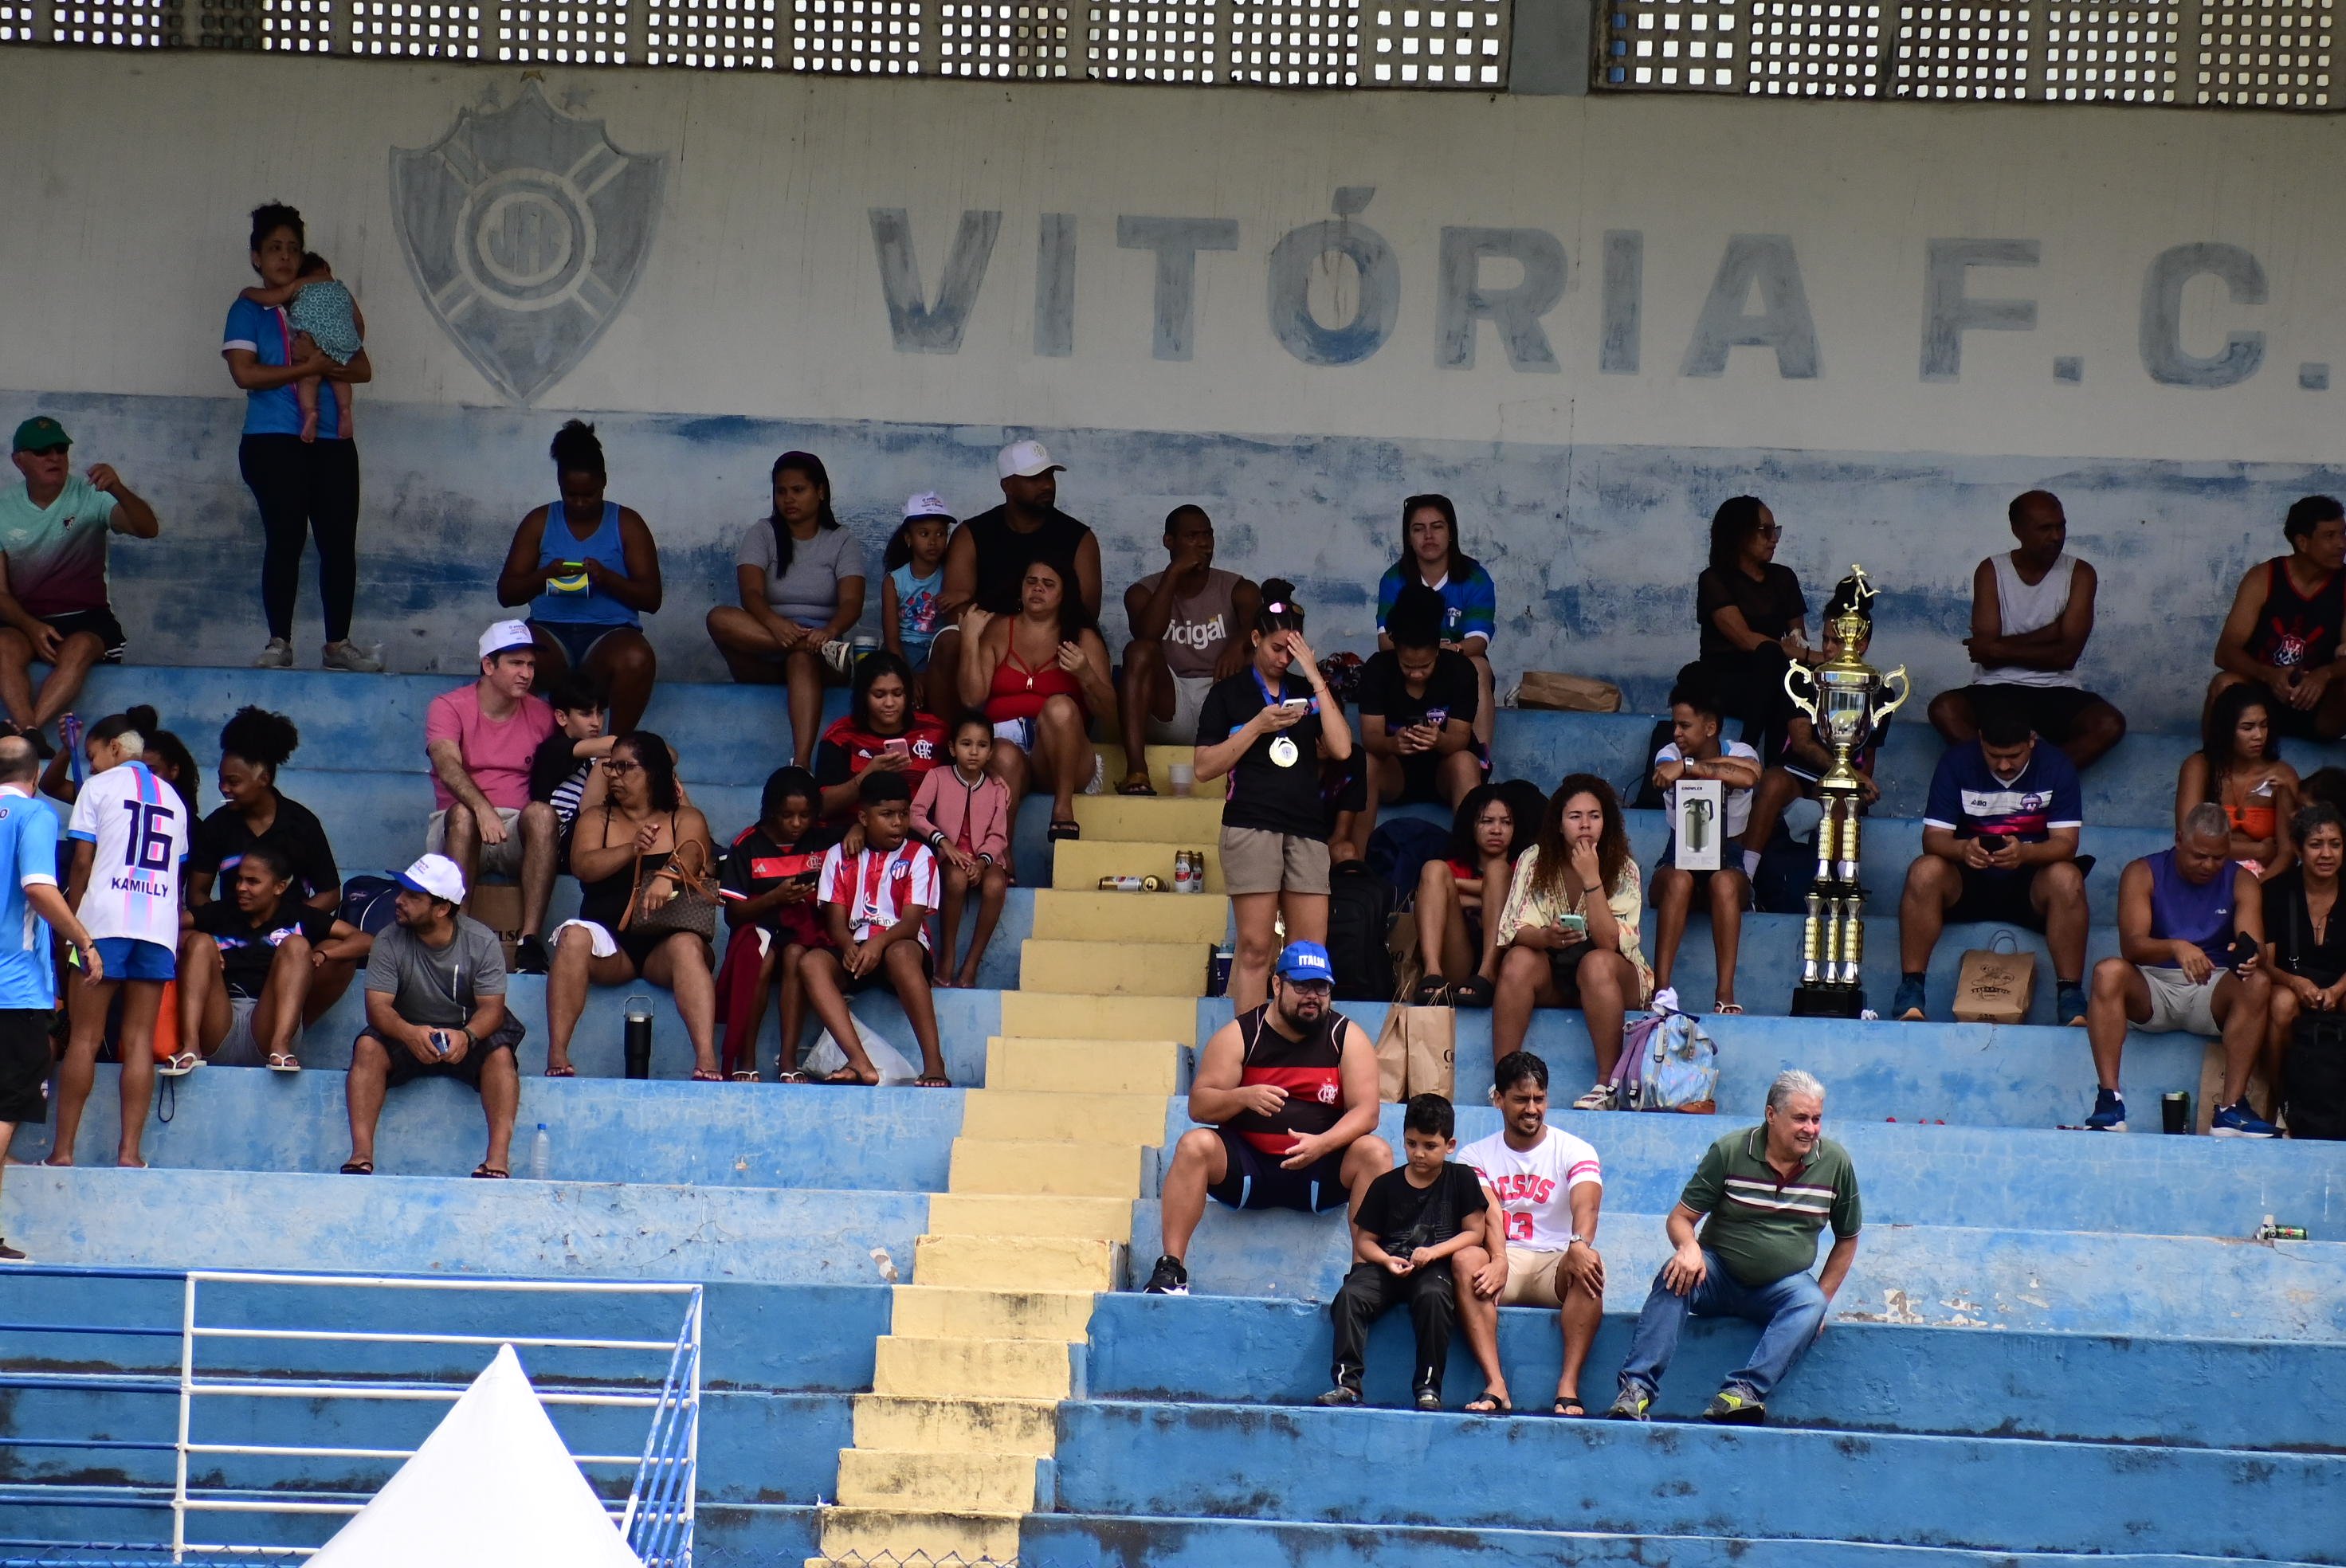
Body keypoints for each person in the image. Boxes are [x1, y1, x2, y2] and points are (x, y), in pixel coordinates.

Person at [1142, 941, 1393, 1297]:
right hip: (1248, 1170)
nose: (1313, 996)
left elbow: (1367, 1112)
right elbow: (1199, 1105)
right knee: (1194, 1145)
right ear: (1277, 984)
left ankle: (1364, 1274)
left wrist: (1323, 1144)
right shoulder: (1242, 1034)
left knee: (1375, 1152)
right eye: (1301, 986)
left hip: (1319, 1172)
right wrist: (1242, 1096)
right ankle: (1172, 1268)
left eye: (1321, 988)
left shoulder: (1346, 1037)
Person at [1608, 1070, 1859, 1426]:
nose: (1810, 1129)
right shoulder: (1729, 1151)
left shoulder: (1835, 1163)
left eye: (1816, 1119)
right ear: (1771, 1115)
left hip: (1781, 1288)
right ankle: (1636, 1389)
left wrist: (1824, 1297)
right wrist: (1688, 1247)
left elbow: (1848, 1237)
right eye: (1801, 1118)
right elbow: (1680, 1218)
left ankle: (1742, 1394)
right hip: (1716, 1276)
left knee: (1812, 1303)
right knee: (1673, 1274)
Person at [223, 202, 379, 673]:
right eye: (274, 248)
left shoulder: (323, 299)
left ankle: (338, 645)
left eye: (292, 248)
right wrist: (307, 368)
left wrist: (322, 363)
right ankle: (279, 642)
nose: (285, 256)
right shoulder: (248, 309)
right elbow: (245, 374)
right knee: (285, 539)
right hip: (272, 439)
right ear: (257, 257)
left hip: (333, 442)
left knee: (339, 543)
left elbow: (363, 368)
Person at [1195, 585, 1352, 1012]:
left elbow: (1342, 749)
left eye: (1293, 651)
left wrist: (1315, 676)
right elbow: (1204, 767)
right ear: (1255, 639)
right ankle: (1249, 1043)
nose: (1284, 659)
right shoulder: (1228, 694)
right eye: (1277, 648)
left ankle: (1303, 1042)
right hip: (1250, 824)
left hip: (1306, 828)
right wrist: (1258, 726)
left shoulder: (1307, 690)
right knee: (1255, 949)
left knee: (1309, 954)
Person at [47, 709, 192, 1170]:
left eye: (92, 756)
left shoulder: (98, 787)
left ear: (114, 748)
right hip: (157, 927)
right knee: (140, 1040)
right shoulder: (174, 799)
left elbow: (81, 863)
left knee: (84, 1039)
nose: (90, 766)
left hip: (102, 923)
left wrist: (72, 925)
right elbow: (177, 874)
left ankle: (63, 1153)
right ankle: (130, 1154)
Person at [2082, 804, 2275, 1135]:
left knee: (2256, 981)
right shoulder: (2143, 872)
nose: (2208, 865)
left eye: (2218, 857)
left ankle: (2231, 1109)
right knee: (2107, 972)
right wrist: (2175, 947)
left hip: (2214, 988)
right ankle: (2109, 1103)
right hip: (2154, 985)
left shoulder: (2241, 879)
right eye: (2199, 856)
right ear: (2179, 840)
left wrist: (2250, 955)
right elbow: (2132, 946)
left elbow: (2255, 943)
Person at [1893, 703, 2089, 1026]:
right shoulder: (1956, 762)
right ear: (1981, 740)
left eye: (2014, 756)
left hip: (2031, 882)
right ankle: (1911, 990)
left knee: (2067, 877)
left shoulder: (2057, 766)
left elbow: (2066, 845)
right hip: (1968, 876)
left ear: (2032, 741)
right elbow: (1933, 839)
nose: (2004, 765)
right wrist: (1962, 848)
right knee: (1924, 871)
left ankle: (2071, 995)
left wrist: (2025, 854)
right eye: (1994, 755)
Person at [546, 732, 720, 1080]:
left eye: (625, 767)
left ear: (653, 772)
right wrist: (632, 849)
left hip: (664, 947)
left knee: (687, 946)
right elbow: (583, 866)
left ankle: (706, 1059)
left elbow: (694, 853)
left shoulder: (685, 817)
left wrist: (668, 876)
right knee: (572, 937)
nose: (614, 775)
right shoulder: (596, 818)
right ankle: (558, 1052)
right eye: (611, 767)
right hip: (611, 946)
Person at [341, 854, 524, 1178]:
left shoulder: (481, 941)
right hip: (406, 1027)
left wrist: (467, 1036)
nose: (398, 900)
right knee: (367, 1047)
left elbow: (492, 1009)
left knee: (500, 1055)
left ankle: (497, 1160)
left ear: (441, 908)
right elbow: (378, 1008)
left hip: (467, 1029)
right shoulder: (387, 940)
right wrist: (409, 1033)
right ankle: (361, 1155)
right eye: (402, 891)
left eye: (413, 896)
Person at [1320, 1092, 1503, 1412]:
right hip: (1387, 1268)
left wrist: (1434, 1253)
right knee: (1350, 1296)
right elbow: (1365, 1242)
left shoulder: (1461, 1179)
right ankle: (1347, 1384)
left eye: (1430, 1146)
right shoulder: (1385, 1185)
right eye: (1411, 1144)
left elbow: (1475, 1233)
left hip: (1434, 1269)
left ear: (1450, 1145)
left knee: (1435, 1297)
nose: (1419, 1154)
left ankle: (1428, 1388)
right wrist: (1385, 1259)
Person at [1927, 490, 2125, 770]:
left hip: (2057, 689)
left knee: (2109, 724)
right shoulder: (1991, 570)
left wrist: (1998, 648)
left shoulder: (2080, 573)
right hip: (1995, 687)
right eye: (2045, 528)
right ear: (2017, 530)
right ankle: (1997, 774)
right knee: (1944, 709)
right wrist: (2053, 633)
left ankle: (2037, 778)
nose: (2056, 536)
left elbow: (2066, 657)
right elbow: (1985, 656)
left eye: (2061, 526)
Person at [1490, 774, 1654, 1108]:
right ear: (1559, 823)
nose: (1585, 825)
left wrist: (1592, 877)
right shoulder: (1535, 860)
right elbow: (1514, 930)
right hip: (1555, 973)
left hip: (1614, 979)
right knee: (1518, 959)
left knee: (1596, 963)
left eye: (1594, 816)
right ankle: (1504, 1083)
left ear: (1606, 822)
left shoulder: (1623, 867)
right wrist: (1546, 937)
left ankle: (1607, 1086)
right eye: (1575, 816)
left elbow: (1609, 942)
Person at [1459, 1051, 1606, 1418]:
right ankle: (1495, 1384)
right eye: (1520, 1099)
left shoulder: (1575, 1149)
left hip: (1555, 1261)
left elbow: (1586, 1205)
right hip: (1504, 1257)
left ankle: (1568, 1387)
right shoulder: (1474, 1155)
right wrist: (1498, 1258)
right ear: (1498, 1099)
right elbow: (1488, 1214)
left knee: (1589, 1261)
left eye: (1539, 1099)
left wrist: (1579, 1244)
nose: (1531, 1109)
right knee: (1465, 1259)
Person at [0, 733, 100, 1254]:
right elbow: (39, 886)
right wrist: (83, 939)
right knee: (4, 1108)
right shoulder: (34, 815)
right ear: (36, 777)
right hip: (13, 989)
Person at [0, 417, 159, 743]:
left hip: (87, 619)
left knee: (80, 647)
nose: (54, 457)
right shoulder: (3, 508)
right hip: (25, 621)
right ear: (19, 460)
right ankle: (30, 734)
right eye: (42, 451)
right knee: (3, 646)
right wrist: (31, 626)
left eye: (60, 449)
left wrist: (118, 489)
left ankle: (28, 735)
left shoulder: (92, 495)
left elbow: (148, 529)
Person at [496, 421, 661, 732]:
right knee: (506, 654)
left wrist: (606, 578)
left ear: (604, 483)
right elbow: (507, 593)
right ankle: (517, 746)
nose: (580, 503)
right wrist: (546, 575)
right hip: (549, 633)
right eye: (571, 495)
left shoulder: (627, 523)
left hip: (610, 637)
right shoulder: (539, 521)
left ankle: (614, 748)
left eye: (589, 494)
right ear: (560, 484)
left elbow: (652, 599)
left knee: (637, 657)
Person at [705, 452, 867, 767]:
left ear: (820, 492)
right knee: (719, 618)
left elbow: (852, 603)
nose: (788, 499)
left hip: (822, 652)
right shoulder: (762, 533)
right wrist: (775, 623)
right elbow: (750, 593)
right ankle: (803, 645)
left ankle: (801, 765)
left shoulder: (841, 540)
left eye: (798, 490)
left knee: (801, 659)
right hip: (766, 645)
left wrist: (829, 632)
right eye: (781, 491)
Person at [928, 440, 1101, 727]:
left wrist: (1027, 628)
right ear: (1007, 485)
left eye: (1050, 476)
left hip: (1051, 632)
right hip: (990, 636)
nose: (1047, 485)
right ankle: (950, 742)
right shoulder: (973, 533)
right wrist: (1006, 630)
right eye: (1035, 478)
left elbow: (1086, 611)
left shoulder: (1078, 537)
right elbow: (954, 611)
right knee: (949, 641)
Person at [1736, 583, 1890, 890]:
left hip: (1834, 784)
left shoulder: (1879, 690)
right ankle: (1745, 879)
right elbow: (1802, 743)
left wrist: (1859, 782)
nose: (1829, 648)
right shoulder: (1806, 678)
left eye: (1837, 640)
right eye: (1825, 639)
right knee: (1773, 781)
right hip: (1797, 773)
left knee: (1842, 795)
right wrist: (1852, 774)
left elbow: (1868, 755)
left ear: (1861, 644)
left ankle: (1845, 887)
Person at [801, 770, 949, 1086]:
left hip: (902, 946)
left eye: (904, 814)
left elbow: (911, 923)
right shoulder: (839, 856)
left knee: (900, 954)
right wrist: (847, 946)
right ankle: (860, 1062)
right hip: (857, 950)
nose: (898, 823)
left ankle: (934, 1064)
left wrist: (877, 944)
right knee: (811, 963)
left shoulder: (919, 855)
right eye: (887, 815)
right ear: (864, 818)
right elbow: (836, 922)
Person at [424, 621, 558, 960]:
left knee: (543, 815)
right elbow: (446, 764)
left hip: (514, 830)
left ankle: (529, 943)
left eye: (530, 665)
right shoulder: (449, 706)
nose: (526, 674)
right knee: (462, 815)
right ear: (488, 665)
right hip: (458, 825)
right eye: (516, 663)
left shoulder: (542, 714)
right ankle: (456, 936)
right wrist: (483, 810)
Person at [176, 841, 367, 1072]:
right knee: (199, 942)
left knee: (297, 944)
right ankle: (190, 1046)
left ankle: (281, 1046)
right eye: (239, 879)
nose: (241, 888)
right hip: (218, 1023)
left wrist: (323, 953)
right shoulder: (222, 911)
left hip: (266, 1026)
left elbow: (365, 940)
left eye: (253, 881)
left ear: (279, 887)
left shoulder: (299, 915)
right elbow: (168, 926)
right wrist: (193, 940)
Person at [961, 555, 1114, 841]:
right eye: (1031, 581)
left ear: (1064, 594)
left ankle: (1063, 810)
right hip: (1006, 751)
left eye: (1048, 584)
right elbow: (972, 698)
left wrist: (1085, 674)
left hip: (1061, 758)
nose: (1038, 588)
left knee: (1060, 706)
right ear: (1021, 588)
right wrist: (969, 639)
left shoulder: (1082, 638)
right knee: (1003, 754)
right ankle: (1002, 854)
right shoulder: (998, 630)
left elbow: (1109, 713)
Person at [1117, 504, 1257, 795]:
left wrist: (1238, 643)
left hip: (1219, 701)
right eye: (1192, 536)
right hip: (1171, 703)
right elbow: (1147, 636)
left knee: (1255, 655)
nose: (1203, 544)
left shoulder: (1238, 588)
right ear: (1169, 541)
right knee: (1138, 651)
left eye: (1208, 535)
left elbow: (1263, 629)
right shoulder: (1141, 592)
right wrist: (1173, 575)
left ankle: (1248, 774)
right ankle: (1136, 772)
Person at [1648, 673, 1761, 1015]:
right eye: (1675, 725)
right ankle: (1661, 991)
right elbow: (1666, 773)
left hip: (1729, 857)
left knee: (1725, 882)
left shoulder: (1740, 750)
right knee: (1679, 880)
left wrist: (1690, 766)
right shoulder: (1668, 753)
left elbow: (1750, 775)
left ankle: (1725, 993)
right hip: (1677, 856)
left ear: (1710, 728)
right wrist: (1702, 767)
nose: (1676, 733)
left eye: (1685, 726)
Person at [715, 766, 836, 1082]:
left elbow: (860, 831)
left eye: (805, 816)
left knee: (797, 955)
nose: (796, 824)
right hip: (758, 928)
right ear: (770, 812)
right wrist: (775, 898)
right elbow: (734, 915)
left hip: (803, 933)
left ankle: (788, 1060)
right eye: (787, 816)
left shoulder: (823, 838)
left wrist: (856, 833)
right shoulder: (747, 845)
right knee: (761, 958)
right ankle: (747, 1057)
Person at [2210, 494, 2346, 739]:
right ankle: (2213, 761)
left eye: (2343, 534)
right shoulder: (2263, 578)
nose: (2341, 544)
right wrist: (2269, 675)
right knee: (2224, 684)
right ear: (2303, 542)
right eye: (2330, 536)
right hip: (2262, 699)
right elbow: (2225, 652)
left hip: (2318, 703)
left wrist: (2324, 675)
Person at [1356, 583, 1484, 843]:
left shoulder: (1460, 671)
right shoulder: (1378, 669)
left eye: (1425, 666)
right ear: (1396, 651)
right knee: (1366, 762)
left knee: (1465, 762)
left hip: (1444, 772)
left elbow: (1460, 738)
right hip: (1396, 772)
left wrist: (1439, 740)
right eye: (1407, 666)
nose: (1416, 674)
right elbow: (1370, 737)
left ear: (1438, 650)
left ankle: (1469, 859)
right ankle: (1355, 858)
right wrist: (1392, 744)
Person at [1693, 496, 1810, 769]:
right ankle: (1749, 749)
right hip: (1727, 679)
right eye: (1765, 531)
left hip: (1774, 675)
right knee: (1770, 655)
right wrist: (1806, 655)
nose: (1774, 539)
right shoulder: (1714, 579)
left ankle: (1775, 772)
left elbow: (1798, 638)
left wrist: (1803, 653)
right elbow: (1745, 639)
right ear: (1740, 534)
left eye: (1775, 531)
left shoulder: (1784, 577)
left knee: (1789, 679)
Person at [1376, 495, 1499, 747]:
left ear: (1451, 533)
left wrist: (1446, 651)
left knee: (1479, 666)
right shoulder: (1394, 579)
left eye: (1437, 527)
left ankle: (1482, 760)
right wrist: (1419, 654)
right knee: (1379, 666)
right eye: (1418, 529)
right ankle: (1393, 749)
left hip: (1456, 664)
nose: (1428, 536)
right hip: (1408, 665)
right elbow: (1385, 641)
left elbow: (1478, 641)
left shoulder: (1475, 578)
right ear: (1408, 538)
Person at [188, 707, 339, 911]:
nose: (224, 788)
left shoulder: (302, 825)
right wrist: (224, 922)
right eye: (221, 780)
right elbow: (197, 893)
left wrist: (292, 923)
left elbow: (330, 895)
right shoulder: (216, 826)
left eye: (233, 782)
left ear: (263, 779)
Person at [521, 675, 618, 972]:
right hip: (558, 847)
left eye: (600, 713)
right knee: (615, 760)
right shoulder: (553, 749)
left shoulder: (598, 758)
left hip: (595, 838)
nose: (596, 722)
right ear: (562, 717)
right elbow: (612, 745)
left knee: (648, 770)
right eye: (586, 713)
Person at [912, 715, 1013, 989]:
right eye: (966, 744)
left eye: (982, 745)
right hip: (950, 855)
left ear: (990, 752)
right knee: (956, 880)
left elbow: (998, 835)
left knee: (995, 886)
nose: (974, 751)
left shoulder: (996, 789)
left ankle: (971, 965)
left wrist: (982, 863)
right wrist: (944, 842)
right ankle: (947, 957)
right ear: (952, 747)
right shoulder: (937, 777)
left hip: (986, 858)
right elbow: (915, 814)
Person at [1410, 782, 1528, 1008]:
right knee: (1433, 868)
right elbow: (1426, 902)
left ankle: (1486, 974)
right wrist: (1488, 898)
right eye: (1487, 821)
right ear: (1471, 825)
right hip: (1458, 965)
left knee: (1497, 870)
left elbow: (1519, 896)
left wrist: (1456, 890)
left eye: (1506, 822)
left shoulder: (1524, 866)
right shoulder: (1451, 868)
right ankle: (1432, 973)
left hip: (1505, 968)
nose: (1497, 830)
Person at [237, 250, 363, 445]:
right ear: (326, 268)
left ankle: (309, 412)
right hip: (342, 339)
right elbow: (359, 322)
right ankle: (345, 409)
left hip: (311, 339)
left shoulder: (301, 285)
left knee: (309, 379)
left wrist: (247, 292)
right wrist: (352, 342)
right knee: (340, 379)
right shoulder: (340, 288)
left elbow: (270, 298)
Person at [2262, 802, 2346, 1091]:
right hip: (2290, 984)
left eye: (2335, 844)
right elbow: (2266, 962)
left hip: (2340, 987)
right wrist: (2295, 983)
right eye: (2316, 845)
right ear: (2298, 850)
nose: (2327, 854)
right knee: (2281, 1003)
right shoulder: (2275, 892)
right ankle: (2279, 1096)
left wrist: (2337, 990)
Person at [2178, 680, 2300, 881]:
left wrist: (2259, 885)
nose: (2259, 735)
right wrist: (2259, 850)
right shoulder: (2199, 766)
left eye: (2264, 725)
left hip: (2265, 880)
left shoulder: (2281, 775)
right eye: (2247, 727)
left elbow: (2288, 852)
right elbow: (2188, 839)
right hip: (2205, 873)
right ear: (2226, 730)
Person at [814, 650, 949, 823]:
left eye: (897, 693)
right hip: (853, 832)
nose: (890, 703)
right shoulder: (840, 735)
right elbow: (821, 808)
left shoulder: (936, 731)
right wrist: (867, 776)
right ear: (863, 695)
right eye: (879, 695)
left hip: (920, 833)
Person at [883, 492, 954, 709]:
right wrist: (907, 676)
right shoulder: (895, 581)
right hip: (903, 652)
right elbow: (892, 640)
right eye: (924, 534)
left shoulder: (951, 576)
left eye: (941, 534)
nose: (933, 541)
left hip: (937, 652)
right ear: (908, 539)